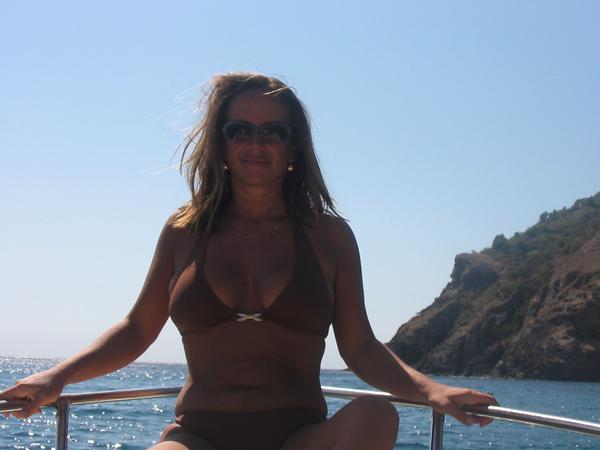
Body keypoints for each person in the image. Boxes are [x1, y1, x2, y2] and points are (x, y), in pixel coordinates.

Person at [0, 72, 496, 450]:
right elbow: (136, 329)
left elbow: (361, 346)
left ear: (293, 147)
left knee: (376, 415)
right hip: (198, 437)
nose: (256, 144)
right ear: (221, 144)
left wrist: (433, 391)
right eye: (240, 130)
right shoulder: (183, 232)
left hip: (299, 438)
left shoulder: (329, 237)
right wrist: (56, 377)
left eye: (273, 132)